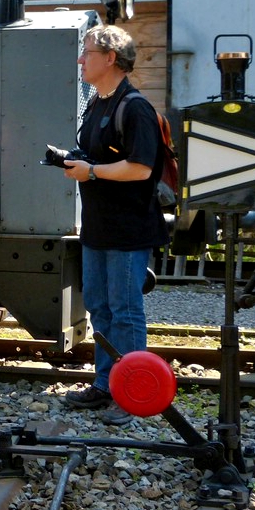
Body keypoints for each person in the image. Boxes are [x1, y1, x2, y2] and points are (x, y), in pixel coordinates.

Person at [61, 24, 169, 425]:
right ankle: (106, 384)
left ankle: (133, 394)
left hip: (127, 231)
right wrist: (72, 160)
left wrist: (90, 172)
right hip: (99, 228)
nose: (80, 59)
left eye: (86, 51)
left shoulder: (135, 107)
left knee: (125, 311)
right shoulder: (97, 102)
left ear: (111, 58)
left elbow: (140, 170)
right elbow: (96, 156)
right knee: (100, 308)